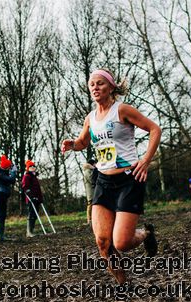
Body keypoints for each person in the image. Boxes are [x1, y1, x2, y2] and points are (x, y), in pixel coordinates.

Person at [60, 68, 161, 285]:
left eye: (100, 83)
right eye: (92, 84)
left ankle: (146, 233)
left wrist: (145, 160)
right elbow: (83, 141)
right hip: (104, 182)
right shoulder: (91, 118)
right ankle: (123, 284)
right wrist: (73, 145)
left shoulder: (122, 110)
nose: (95, 87)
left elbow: (154, 129)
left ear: (111, 87)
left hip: (128, 180)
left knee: (122, 243)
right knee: (103, 242)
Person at [0, 155, 16, 241]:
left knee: (0, 214)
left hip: (0, 194)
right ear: (6, 167)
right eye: (9, 167)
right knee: (0, 214)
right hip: (0, 194)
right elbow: (11, 180)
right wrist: (13, 172)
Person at [21, 160, 43, 238]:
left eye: (34, 166)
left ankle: (32, 230)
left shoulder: (34, 177)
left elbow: (37, 189)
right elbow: (25, 187)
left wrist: (40, 198)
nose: (33, 167)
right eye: (31, 166)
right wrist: (31, 196)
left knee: (35, 215)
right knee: (31, 214)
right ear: (28, 168)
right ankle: (29, 232)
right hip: (31, 199)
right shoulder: (27, 176)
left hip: (36, 199)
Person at [82, 159, 97, 225]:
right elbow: (91, 179)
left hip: (93, 190)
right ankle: (89, 220)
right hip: (91, 191)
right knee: (90, 205)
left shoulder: (89, 170)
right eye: (94, 163)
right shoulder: (88, 171)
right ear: (92, 164)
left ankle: (93, 219)